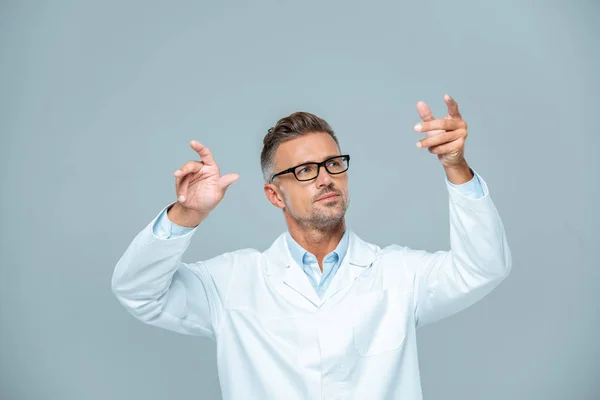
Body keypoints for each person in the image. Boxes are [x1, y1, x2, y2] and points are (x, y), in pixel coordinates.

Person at [111, 94, 512, 400]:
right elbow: (137, 291)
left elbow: (483, 268)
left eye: (333, 164)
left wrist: (456, 166)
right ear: (275, 195)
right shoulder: (231, 283)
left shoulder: (398, 274)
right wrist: (186, 215)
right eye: (304, 171)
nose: (325, 178)